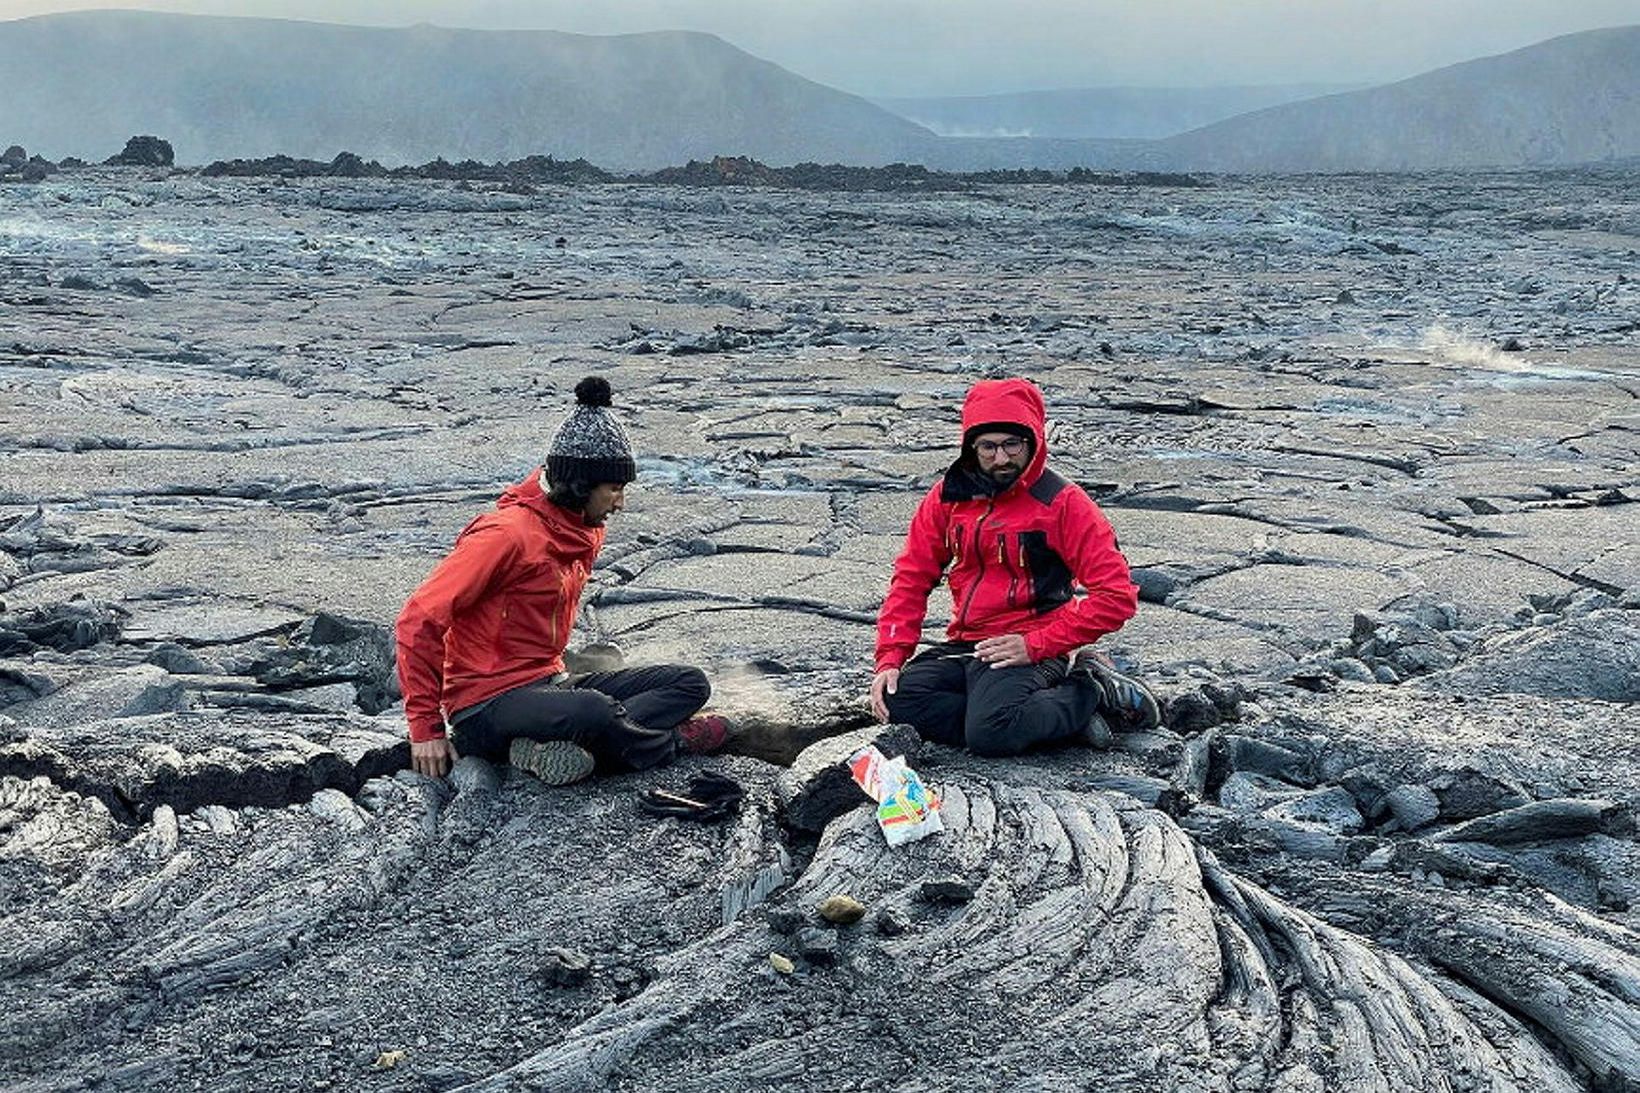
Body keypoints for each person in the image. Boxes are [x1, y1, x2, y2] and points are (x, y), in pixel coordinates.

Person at [395, 376, 729, 785]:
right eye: (614, 488)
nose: (621, 502)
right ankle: (672, 743)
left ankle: (567, 750)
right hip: (485, 704)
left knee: (688, 682)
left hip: (549, 683)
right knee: (595, 710)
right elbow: (418, 619)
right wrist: (425, 728)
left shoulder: (583, 527)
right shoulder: (505, 535)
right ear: (581, 484)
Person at [869, 376, 1160, 754]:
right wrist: (890, 657)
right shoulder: (949, 497)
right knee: (895, 701)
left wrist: (1035, 645)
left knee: (991, 732)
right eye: (988, 446)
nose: (1001, 458)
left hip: (1038, 643)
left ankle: (1093, 687)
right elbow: (911, 578)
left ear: (1034, 440)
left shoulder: (1063, 504)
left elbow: (1117, 597)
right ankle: (1051, 720)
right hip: (971, 643)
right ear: (970, 445)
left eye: (1012, 444)